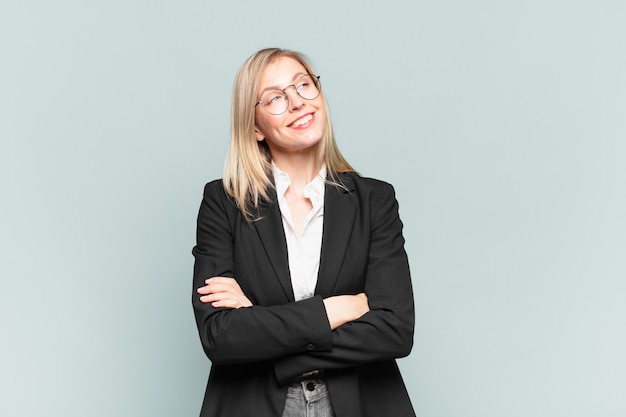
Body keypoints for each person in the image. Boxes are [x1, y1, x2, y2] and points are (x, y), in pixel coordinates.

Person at [192, 47, 416, 417]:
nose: (297, 102)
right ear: (254, 126)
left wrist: (262, 324)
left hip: (360, 403)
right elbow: (221, 336)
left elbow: (394, 329)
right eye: (276, 97)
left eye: (304, 85)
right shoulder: (223, 202)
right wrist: (334, 310)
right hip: (252, 405)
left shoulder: (375, 200)